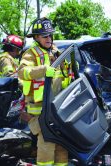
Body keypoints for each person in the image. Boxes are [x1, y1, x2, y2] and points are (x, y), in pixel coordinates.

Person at [17, 17, 68, 166]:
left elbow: (65, 74)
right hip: (39, 109)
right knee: (47, 143)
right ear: (36, 37)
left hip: (57, 106)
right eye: (45, 36)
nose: (49, 38)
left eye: (50, 35)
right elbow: (22, 72)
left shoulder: (56, 51)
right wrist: (43, 70)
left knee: (61, 144)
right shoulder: (30, 53)